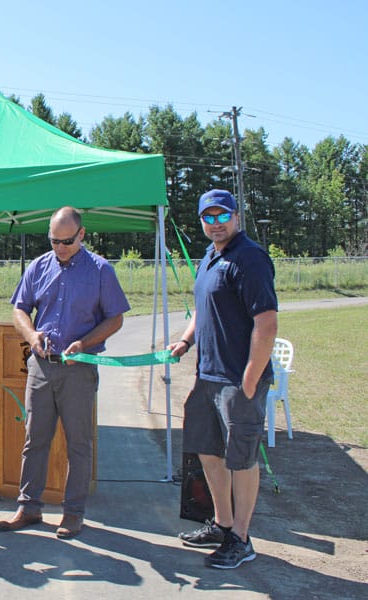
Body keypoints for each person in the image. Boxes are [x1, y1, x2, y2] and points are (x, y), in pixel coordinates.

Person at [0, 206, 130, 539]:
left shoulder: (101, 270)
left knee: (78, 444)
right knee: (34, 439)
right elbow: (19, 309)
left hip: (79, 369)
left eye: (66, 241)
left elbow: (115, 318)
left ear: (82, 235)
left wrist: (84, 343)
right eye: (54, 240)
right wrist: (30, 335)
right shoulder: (39, 266)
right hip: (41, 367)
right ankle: (29, 507)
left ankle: (73, 513)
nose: (59, 248)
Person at [170, 189, 278, 569]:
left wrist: (249, 380)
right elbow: (202, 312)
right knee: (208, 452)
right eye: (208, 218)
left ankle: (242, 539)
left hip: (238, 382)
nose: (215, 223)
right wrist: (185, 340)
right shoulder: (209, 259)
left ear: (236, 216)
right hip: (207, 377)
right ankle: (221, 523)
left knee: (241, 459)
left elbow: (266, 324)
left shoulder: (250, 258)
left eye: (222, 216)